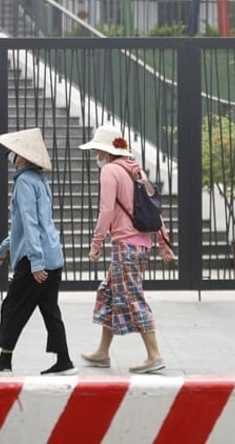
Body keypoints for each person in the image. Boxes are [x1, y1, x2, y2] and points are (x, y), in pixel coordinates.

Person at [0, 127, 76, 376]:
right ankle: (63, 360)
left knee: (12, 306)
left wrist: (35, 262)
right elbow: (28, 224)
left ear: (22, 157)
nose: (11, 155)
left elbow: (31, 224)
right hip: (53, 255)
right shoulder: (41, 181)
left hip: (37, 258)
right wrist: (3, 249)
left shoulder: (24, 182)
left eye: (15, 152)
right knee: (49, 309)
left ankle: (4, 360)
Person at [78, 124, 175, 374]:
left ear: (105, 151)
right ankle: (102, 352)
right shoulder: (135, 169)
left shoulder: (110, 171)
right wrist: (163, 243)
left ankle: (154, 354)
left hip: (126, 246)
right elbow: (153, 209)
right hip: (142, 245)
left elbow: (106, 210)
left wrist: (96, 243)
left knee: (132, 297)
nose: (96, 156)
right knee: (109, 292)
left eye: (98, 151)